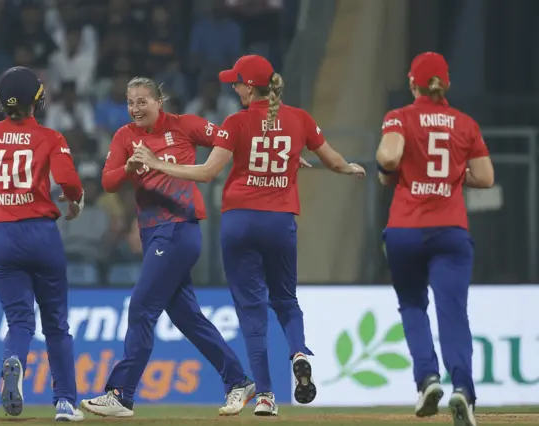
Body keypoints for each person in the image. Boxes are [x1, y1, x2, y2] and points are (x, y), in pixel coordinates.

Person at [130, 54, 366, 416]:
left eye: (237, 82)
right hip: (280, 221)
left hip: (240, 222)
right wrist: (349, 168)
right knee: (286, 301)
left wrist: (158, 163)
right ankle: (299, 352)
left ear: (250, 87)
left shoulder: (236, 122)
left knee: (252, 312)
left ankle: (267, 396)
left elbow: (208, 172)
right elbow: (333, 160)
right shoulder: (299, 119)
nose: (234, 87)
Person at [80, 77, 253, 418]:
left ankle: (120, 393)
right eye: (131, 102)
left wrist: (276, 156)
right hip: (152, 234)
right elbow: (107, 182)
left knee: (142, 307)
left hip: (179, 229)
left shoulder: (185, 126)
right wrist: (128, 167)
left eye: (142, 101)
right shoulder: (124, 136)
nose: (135, 108)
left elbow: (231, 139)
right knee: (188, 318)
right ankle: (238, 381)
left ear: (160, 101)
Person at [0, 66, 86, 422]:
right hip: (41, 235)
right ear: (37, 100)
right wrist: (74, 199)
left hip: (1, 236)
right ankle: (64, 403)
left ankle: (13, 362)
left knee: (19, 322)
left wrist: (0, 190)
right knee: (56, 324)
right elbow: (70, 181)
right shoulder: (50, 137)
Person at [376, 52, 494, 426]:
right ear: (446, 84)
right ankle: (463, 389)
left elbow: (390, 159)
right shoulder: (466, 124)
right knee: (453, 313)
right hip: (450, 229)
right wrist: (451, 177)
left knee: (412, 305)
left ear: (413, 83)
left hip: (406, 230)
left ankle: (427, 378)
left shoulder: (399, 117)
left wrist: (386, 165)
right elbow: (486, 177)